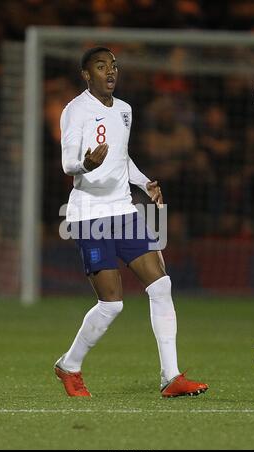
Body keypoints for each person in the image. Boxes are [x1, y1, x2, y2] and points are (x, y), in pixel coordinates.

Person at [55, 46, 208, 398]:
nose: (110, 71)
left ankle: (171, 378)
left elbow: (122, 158)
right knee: (112, 304)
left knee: (161, 285)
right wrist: (85, 166)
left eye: (113, 66)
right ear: (86, 74)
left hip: (123, 211)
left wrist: (144, 182)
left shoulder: (124, 110)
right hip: (90, 215)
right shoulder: (75, 110)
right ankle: (69, 365)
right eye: (100, 65)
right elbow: (67, 163)